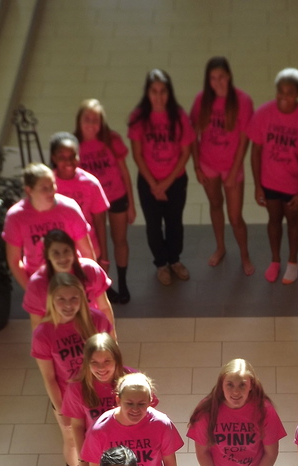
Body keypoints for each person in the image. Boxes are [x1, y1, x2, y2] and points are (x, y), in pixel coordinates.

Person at [30, 273, 112, 466]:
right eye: (61, 299)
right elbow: (48, 377)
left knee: (102, 432)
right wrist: (60, 410)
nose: (68, 305)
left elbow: (111, 356)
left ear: (82, 297)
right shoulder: (43, 333)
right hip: (67, 397)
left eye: (73, 298)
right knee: (72, 439)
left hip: (97, 390)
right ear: (52, 300)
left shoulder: (97, 320)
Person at [248, 67, 298, 284]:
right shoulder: (263, 113)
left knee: (293, 221)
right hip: (269, 183)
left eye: (290, 92)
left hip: (293, 184)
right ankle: (275, 260)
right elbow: (256, 151)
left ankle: (293, 262)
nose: (284, 96)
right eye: (280, 91)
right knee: (274, 220)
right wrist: (258, 185)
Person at [81, 372, 183, 466]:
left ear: (150, 401)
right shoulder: (100, 429)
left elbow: (170, 462)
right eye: (129, 403)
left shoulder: (161, 424)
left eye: (141, 404)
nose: (135, 409)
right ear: (118, 400)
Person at [128, 68, 194, 286]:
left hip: (174, 182)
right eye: (154, 91)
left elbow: (185, 153)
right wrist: (154, 185)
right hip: (149, 183)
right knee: (154, 226)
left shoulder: (179, 116)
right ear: (147, 93)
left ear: (169, 92)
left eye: (163, 91)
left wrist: (165, 183)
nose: (158, 96)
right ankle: (161, 264)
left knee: (175, 223)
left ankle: (175, 260)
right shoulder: (138, 118)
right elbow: (137, 155)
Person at [190, 56, 254, 274]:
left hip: (231, 167)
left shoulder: (243, 102)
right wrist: (197, 166)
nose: (218, 83)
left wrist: (235, 170)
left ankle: (245, 255)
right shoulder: (201, 101)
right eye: (213, 78)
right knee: (215, 205)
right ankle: (220, 247)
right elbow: (192, 135)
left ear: (229, 77)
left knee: (235, 217)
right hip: (208, 164)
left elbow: (245, 139)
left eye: (222, 77)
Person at [75, 98, 137, 304]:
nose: (92, 124)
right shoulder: (74, 145)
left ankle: (123, 282)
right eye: (87, 119)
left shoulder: (112, 140)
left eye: (96, 120)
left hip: (116, 196)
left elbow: (124, 172)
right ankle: (105, 285)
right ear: (79, 121)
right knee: (99, 247)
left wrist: (131, 204)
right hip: (92, 205)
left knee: (120, 240)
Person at [3, 162, 95, 291]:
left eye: (52, 185)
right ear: (29, 190)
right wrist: (31, 290)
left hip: (71, 277)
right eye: (44, 188)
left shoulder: (69, 208)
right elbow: (14, 260)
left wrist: (88, 285)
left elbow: (87, 252)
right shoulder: (16, 216)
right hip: (39, 280)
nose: (51, 191)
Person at [61, 333, 134, 466]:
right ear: (87, 363)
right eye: (94, 362)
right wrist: (83, 459)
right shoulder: (77, 388)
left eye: (107, 361)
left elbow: (147, 416)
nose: (101, 368)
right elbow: (78, 426)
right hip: (98, 454)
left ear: (116, 360)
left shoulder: (133, 380)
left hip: (131, 450)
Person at [23, 228, 114, 330]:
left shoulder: (90, 269)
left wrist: (112, 341)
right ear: (47, 255)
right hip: (59, 339)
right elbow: (37, 327)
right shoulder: (37, 284)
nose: (62, 258)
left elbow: (104, 307)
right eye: (56, 253)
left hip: (91, 330)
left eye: (66, 251)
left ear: (74, 251)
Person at [50, 132, 110, 264]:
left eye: (72, 156)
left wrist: (104, 259)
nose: (68, 162)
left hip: (87, 252)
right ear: (53, 158)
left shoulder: (90, 183)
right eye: (62, 157)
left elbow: (100, 222)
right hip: (56, 256)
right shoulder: (47, 185)